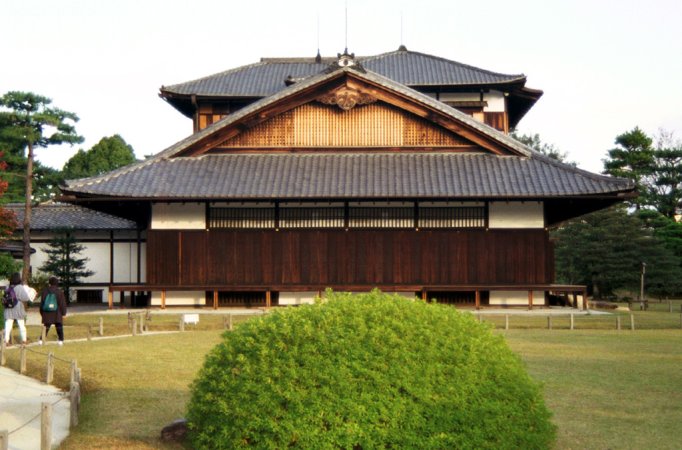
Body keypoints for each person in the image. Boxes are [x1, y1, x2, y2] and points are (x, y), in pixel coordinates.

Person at [3, 272, 37, 346]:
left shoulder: (7, 286)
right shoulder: (19, 287)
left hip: (8, 308)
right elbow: (25, 298)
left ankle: (6, 341)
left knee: (8, 325)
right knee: (21, 325)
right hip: (17, 307)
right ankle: (24, 340)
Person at [39, 276, 67, 346]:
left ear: (49, 283)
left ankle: (41, 340)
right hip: (57, 313)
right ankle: (60, 340)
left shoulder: (44, 291)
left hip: (47, 312)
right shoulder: (59, 292)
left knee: (46, 326)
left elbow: (42, 303)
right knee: (59, 326)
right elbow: (62, 304)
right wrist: (64, 313)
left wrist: (42, 313)